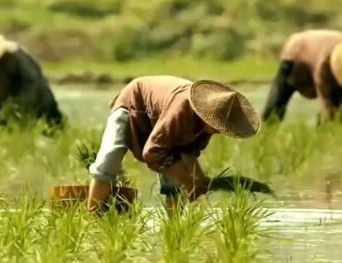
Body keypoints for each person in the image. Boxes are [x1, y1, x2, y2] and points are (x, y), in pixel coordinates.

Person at [86, 75, 261, 213]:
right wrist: (187, 180)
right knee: (108, 162)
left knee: (174, 177)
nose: (219, 131)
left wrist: (200, 180)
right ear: (206, 115)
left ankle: (174, 227)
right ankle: (90, 218)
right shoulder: (182, 109)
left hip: (158, 117)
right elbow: (153, 152)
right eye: (217, 125)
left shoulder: (205, 125)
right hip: (133, 104)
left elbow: (188, 153)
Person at [262, 29, 342, 122]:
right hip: (295, 54)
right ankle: (264, 134)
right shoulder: (325, 61)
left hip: (317, 53)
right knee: (276, 105)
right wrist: (327, 115)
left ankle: (328, 130)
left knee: (338, 106)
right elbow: (324, 92)